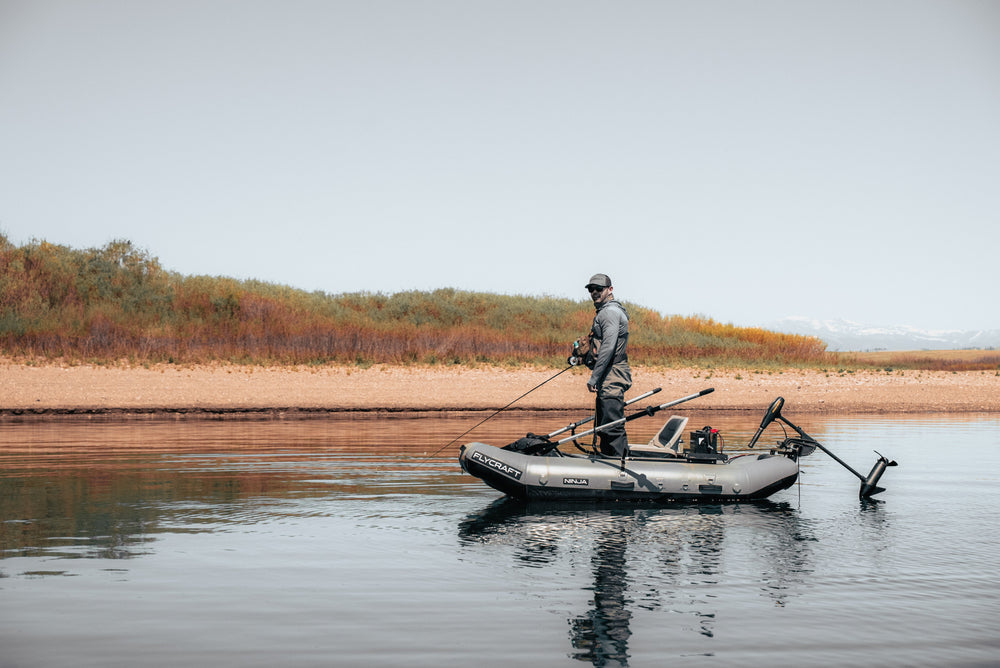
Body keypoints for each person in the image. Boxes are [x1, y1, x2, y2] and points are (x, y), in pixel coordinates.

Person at [584, 273, 632, 457]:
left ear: (610, 290)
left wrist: (594, 377)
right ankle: (609, 461)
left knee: (612, 426)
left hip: (612, 375)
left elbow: (609, 347)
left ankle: (620, 468)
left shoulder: (610, 313)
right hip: (608, 373)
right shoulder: (606, 311)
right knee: (605, 425)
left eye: (599, 289)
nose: (594, 292)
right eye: (591, 289)